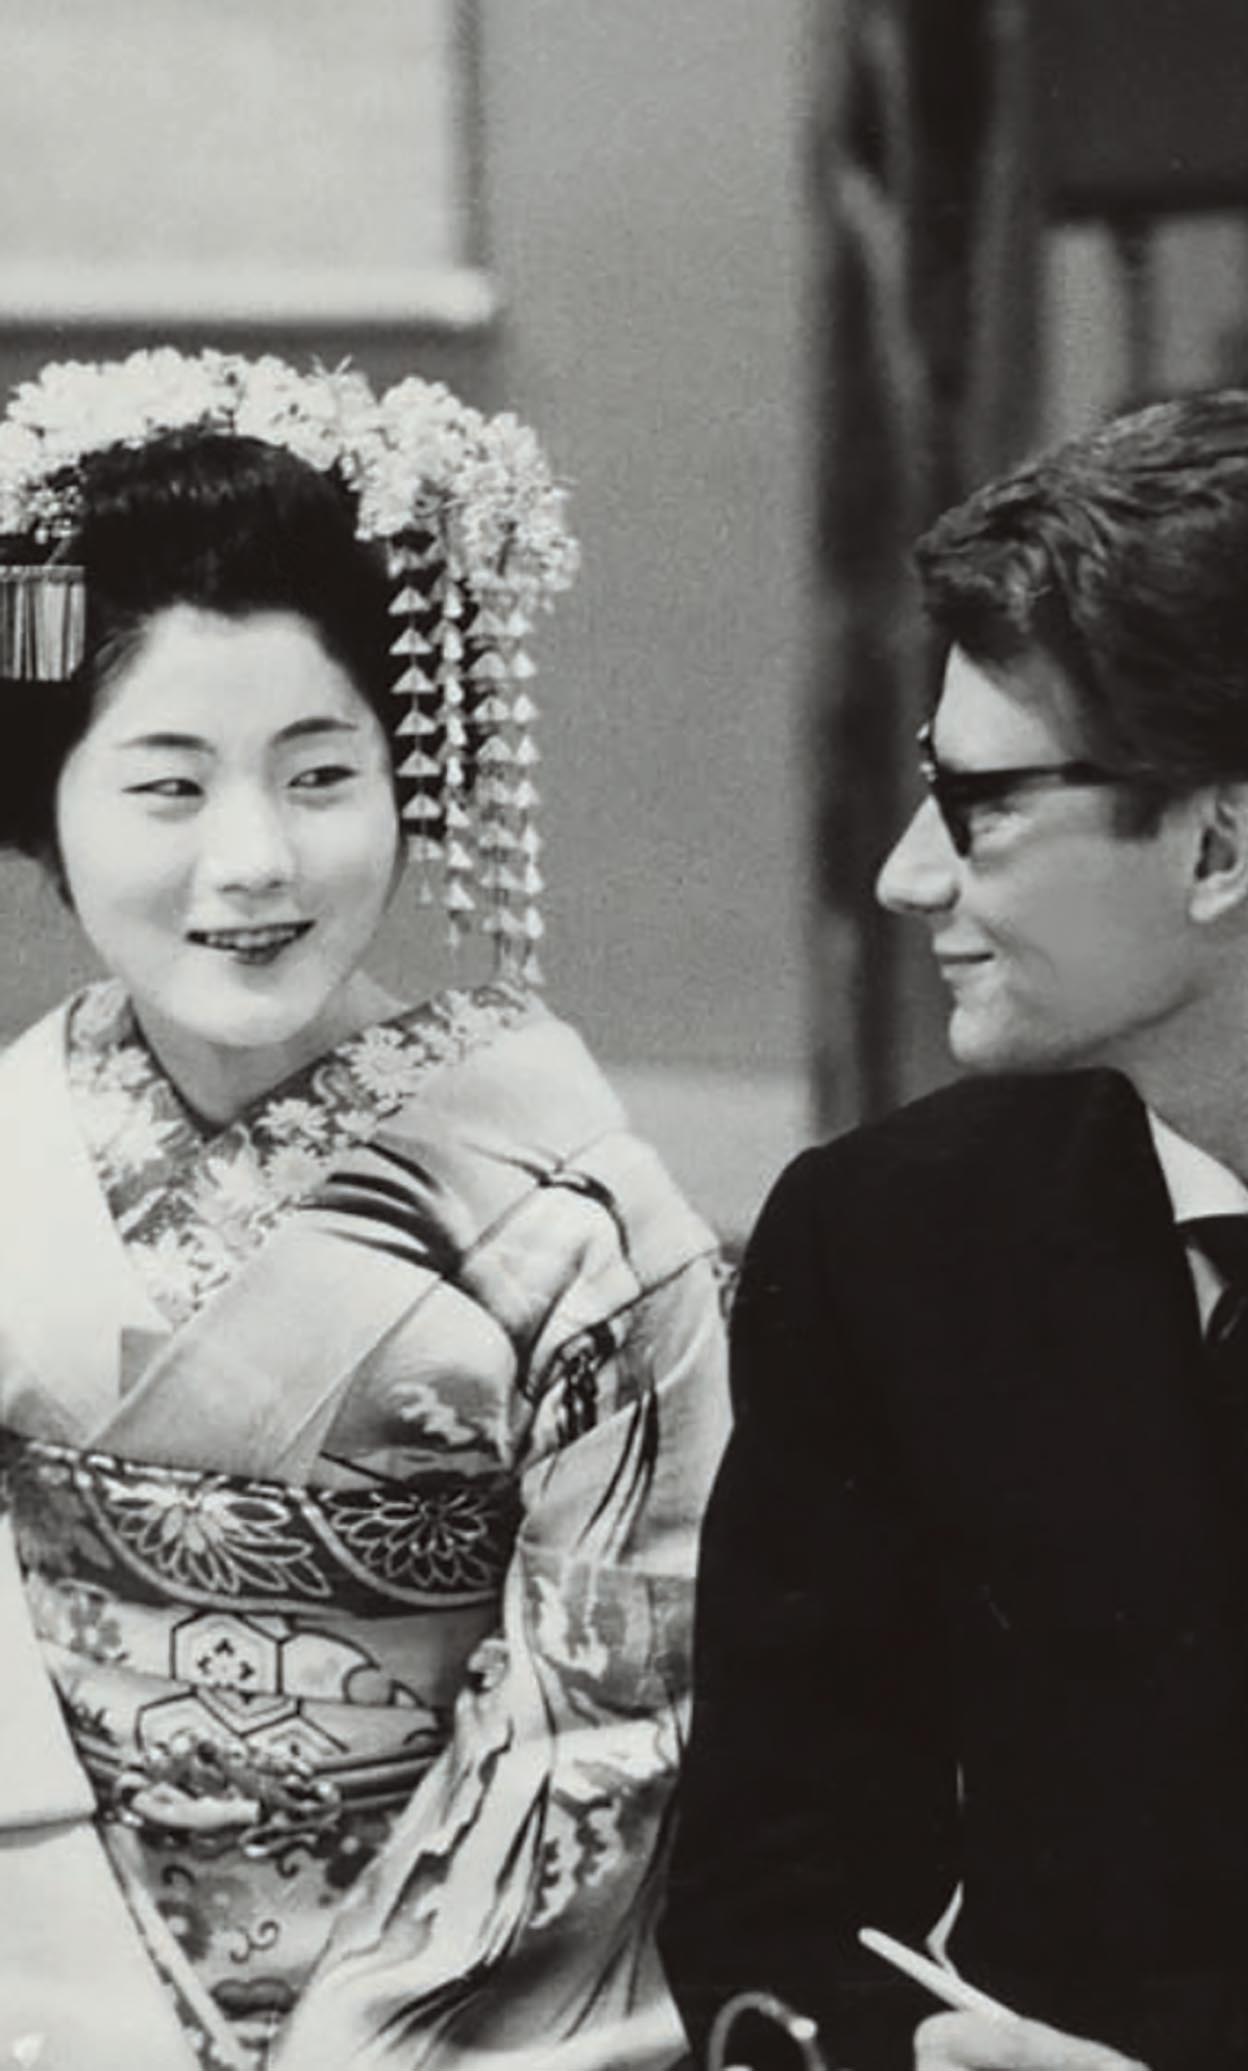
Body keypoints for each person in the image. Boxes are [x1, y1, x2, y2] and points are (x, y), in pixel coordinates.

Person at [660, 389, 1248, 2071]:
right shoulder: (881, 1248)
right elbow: (770, 1897)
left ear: (1221, 846)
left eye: (979, 808)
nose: (905, 877)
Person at [0, 349, 728, 2071]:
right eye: (166, 784)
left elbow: (611, 1722)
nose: (250, 859)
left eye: (321, 775)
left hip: (444, 2021)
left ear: (411, 779)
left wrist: (369, 2038)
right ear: (50, 804)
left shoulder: (574, 1222)